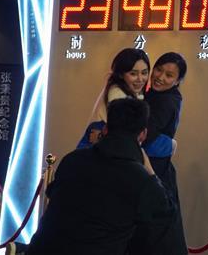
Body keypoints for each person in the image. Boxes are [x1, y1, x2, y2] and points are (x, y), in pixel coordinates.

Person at [25, 98, 186, 255]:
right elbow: (166, 218)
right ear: (143, 134)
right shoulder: (141, 180)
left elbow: (54, 196)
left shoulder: (72, 160)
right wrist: (151, 172)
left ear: (105, 129)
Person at [142, 52, 188, 247]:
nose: (160, 77)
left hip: (153, 173)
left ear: (177, 81)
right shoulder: (157, 95)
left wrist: (102, 135)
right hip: (158, 171)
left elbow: (143, 135)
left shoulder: (165, 101)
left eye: (169, 75)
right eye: (158, 70)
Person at [78, 48, 150, 149]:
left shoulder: (133, 91)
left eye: (144, 73)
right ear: (120, 74)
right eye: (133, 74)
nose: (140, 79)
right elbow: (123, 135)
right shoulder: (117, 95)